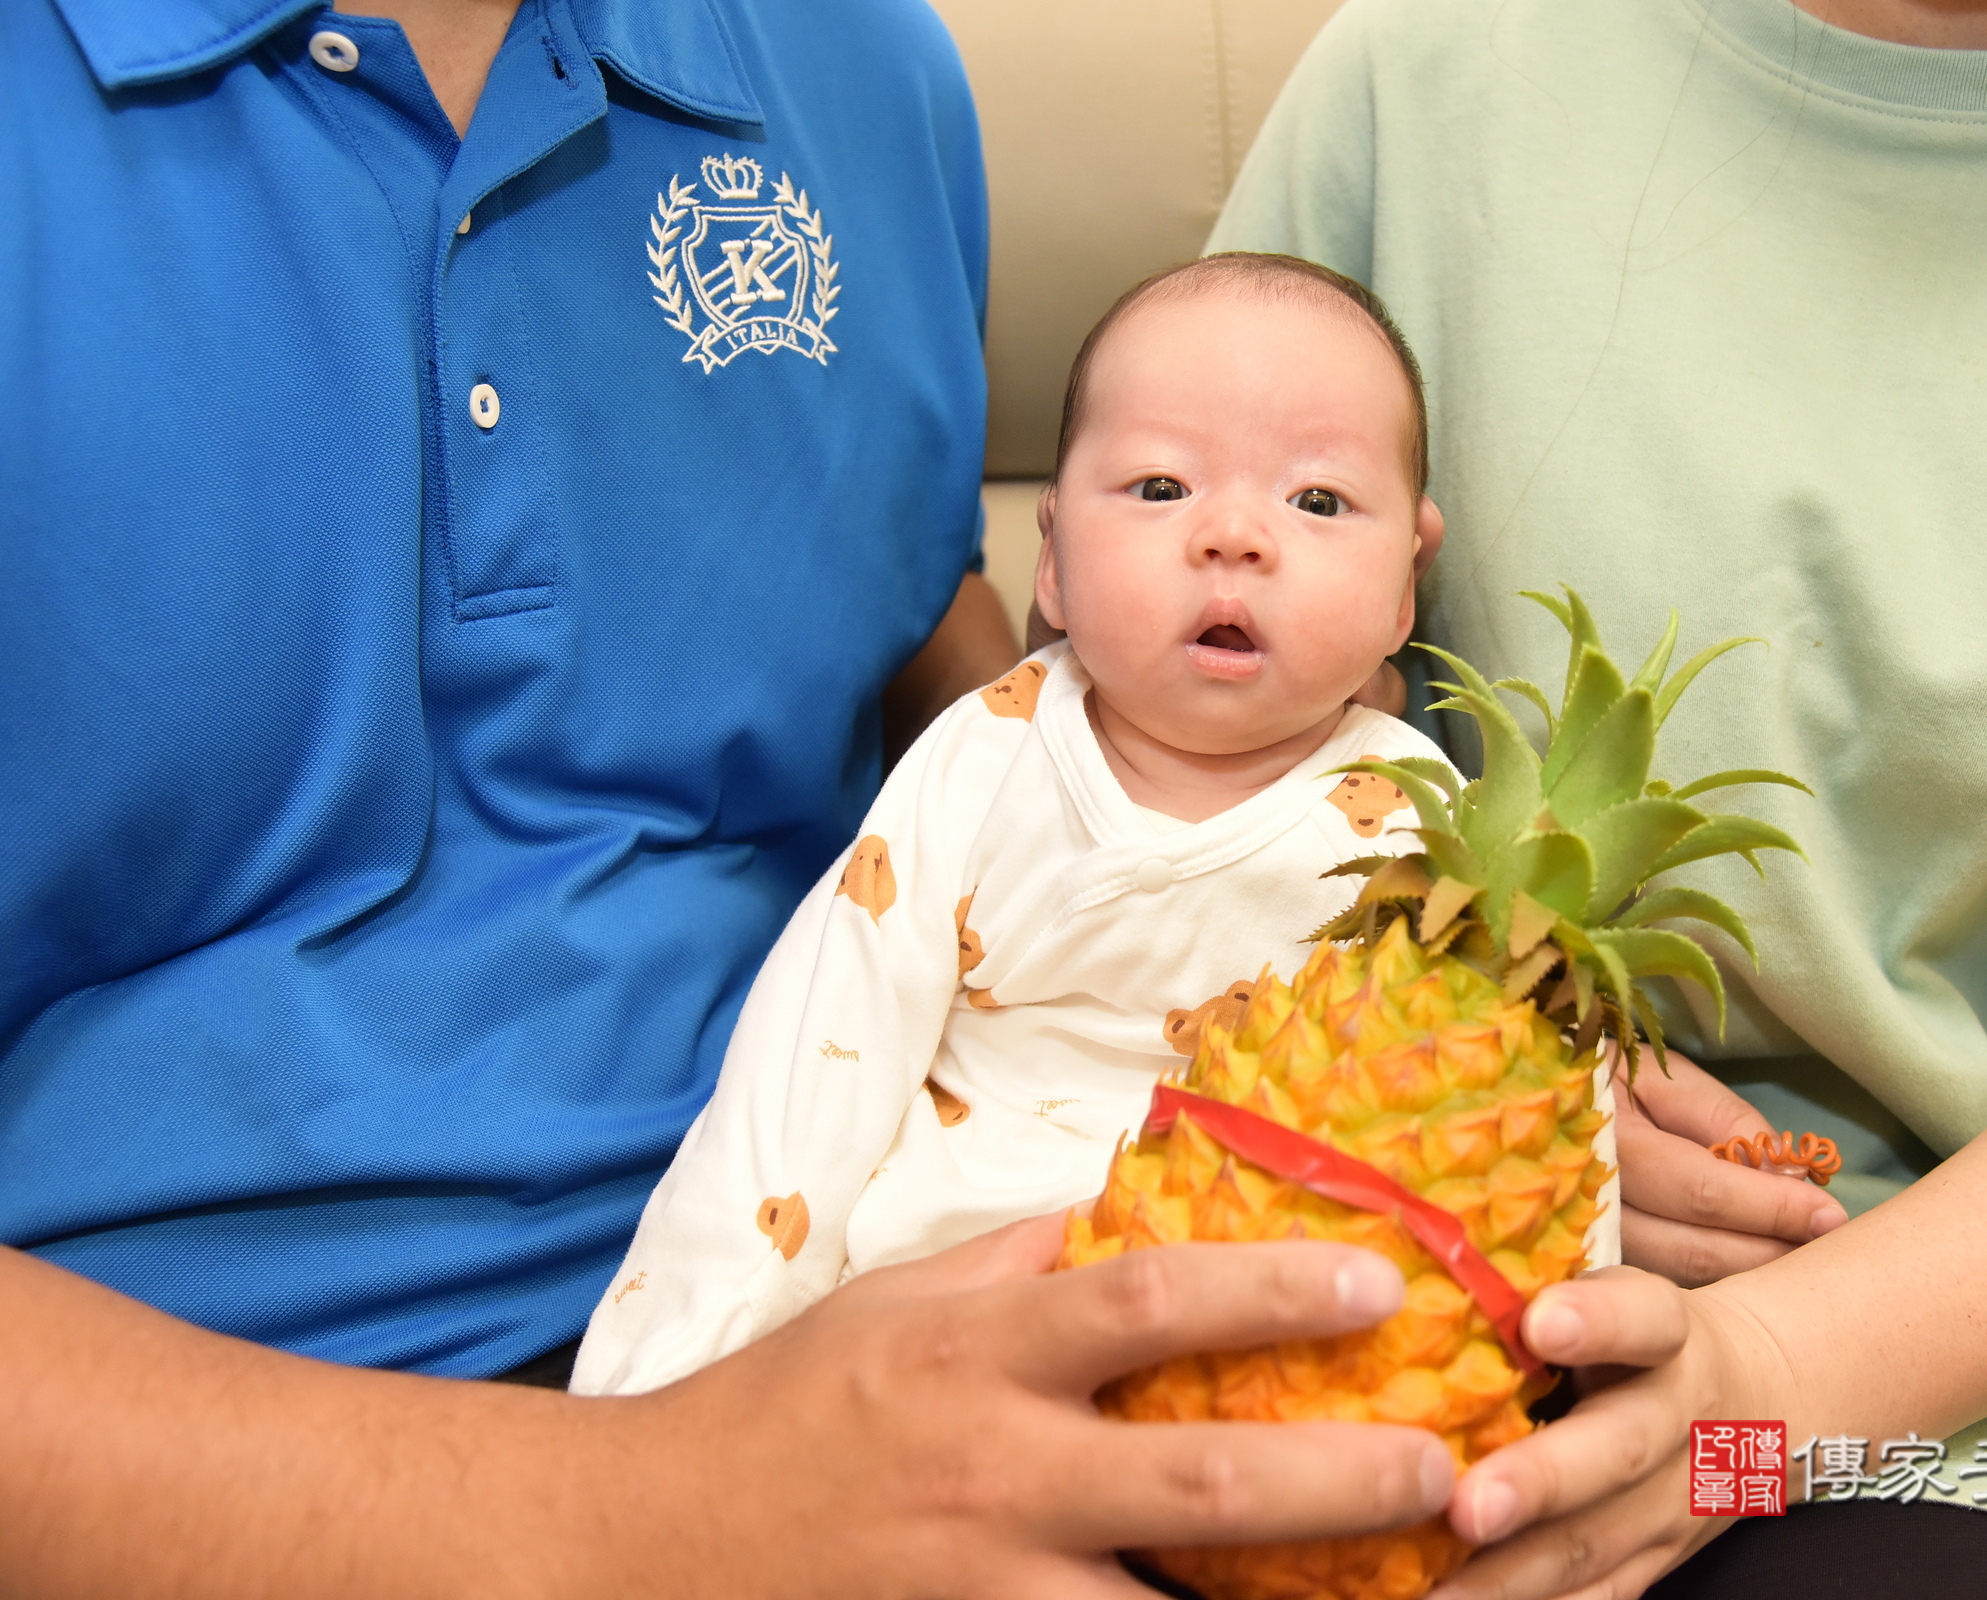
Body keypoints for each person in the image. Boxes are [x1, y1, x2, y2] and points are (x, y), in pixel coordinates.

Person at [1, 5, 1471, 1594]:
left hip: (966, 1311)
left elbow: (904, 620)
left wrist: (1462, 1067)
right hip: (211, 1439)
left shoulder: (861, 65)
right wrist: (650, 1504)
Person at [1209, 0, 1987, 1594]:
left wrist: (1774, 1385)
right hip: (1621, 1352)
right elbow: (1156, 759)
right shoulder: (1430, 78)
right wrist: (1489, 1089)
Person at [573, 253, 1482, 1394]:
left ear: (1406, 585)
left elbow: (1488, 1115)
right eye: (1161, 489)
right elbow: (814, 1064)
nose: (1236, 536)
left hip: (1265, 1345)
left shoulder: (1421, 826)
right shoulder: (984, 760)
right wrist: (679, 1380)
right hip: (942, 1323)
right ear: (1050, 558)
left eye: (1318, 500)